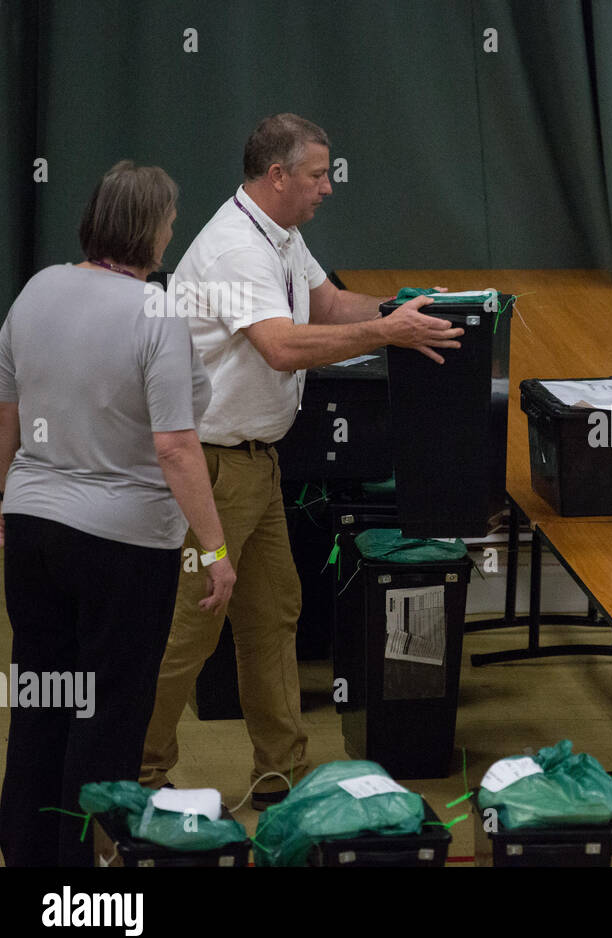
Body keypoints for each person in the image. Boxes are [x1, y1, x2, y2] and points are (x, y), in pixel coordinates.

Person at [139, 114, 463, 808]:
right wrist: (388, 333)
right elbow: (282, 346)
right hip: (211, 469)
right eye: (318, 175)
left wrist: (399, 310)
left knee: (272, 615)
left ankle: (280, 775)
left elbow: (326, 303)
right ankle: (134, 777)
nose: (328, 187)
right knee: (190, 630)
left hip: (256, 464)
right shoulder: (234, 249)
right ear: (278, 175)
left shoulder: (281, 235)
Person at [0, 161, 235, 866]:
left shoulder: (39, 287)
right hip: (123, 548)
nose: (170, 233)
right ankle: (79, 889)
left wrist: (12, 494)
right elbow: (177, 446)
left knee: (41, 700)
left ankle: (30, 860)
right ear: (148, 232)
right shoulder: (155, 313)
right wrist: (215, 551)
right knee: (106, 717)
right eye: (166, 222)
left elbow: (3, 409)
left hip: (34, 533)